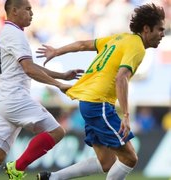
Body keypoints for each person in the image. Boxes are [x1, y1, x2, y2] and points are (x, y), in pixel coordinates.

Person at [36, 3, 165, 180]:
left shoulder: (119, 38)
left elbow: (82, 44)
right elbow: (121, 78)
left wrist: (57, 51)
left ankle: (52, 178)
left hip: (87, 102)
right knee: (130, 158)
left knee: (106, 162)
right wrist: (126, 115)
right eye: (160, 29)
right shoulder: (137, 47)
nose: (162, 34)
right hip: (99, 103)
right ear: (146, 28)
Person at [0, 0, 83, 180]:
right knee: (57, 132)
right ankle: (17, 168)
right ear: (15, 11)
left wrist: (61, 76)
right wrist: (59, 85)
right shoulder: (15, 34)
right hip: (15, 98)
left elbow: (29, 66)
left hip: (3, 100)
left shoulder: (8, 33)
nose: (31, 13)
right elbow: (29, 69)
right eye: (27, 9)